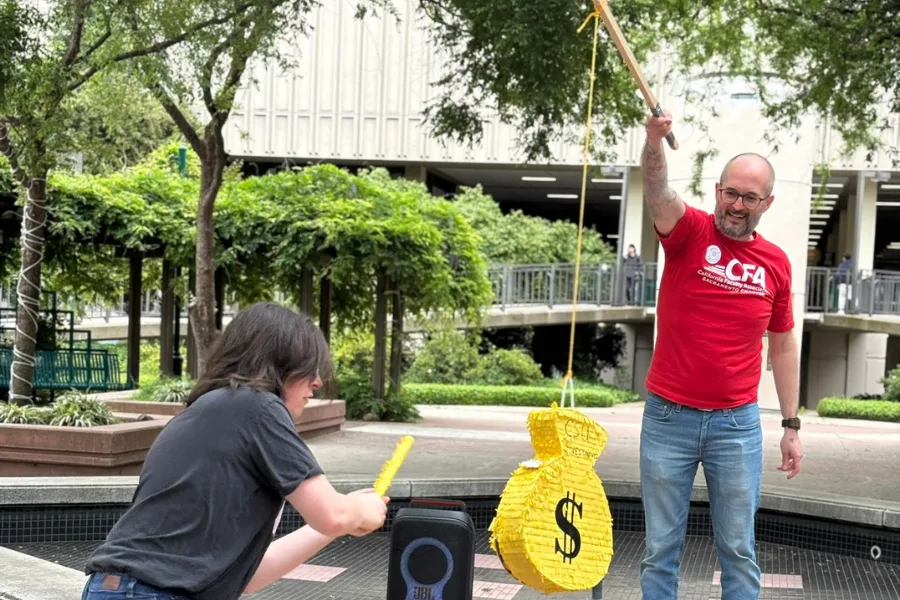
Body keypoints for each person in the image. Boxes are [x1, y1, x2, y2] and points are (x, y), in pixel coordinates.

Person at [82, 302, 389, 600]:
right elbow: (333, 514)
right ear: (277, 364)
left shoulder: (208, 413)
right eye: (307, 368)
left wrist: (340, 523)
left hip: (121, 588)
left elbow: (248, 577)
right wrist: (360, 511)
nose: (318, 382)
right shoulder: (259, 407)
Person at [638, 111, 803, 600]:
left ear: (766, 203)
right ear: (717, 191)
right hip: (668, 418)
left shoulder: (775, 263)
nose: (736, 205)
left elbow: (784, 343)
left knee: (738, 549)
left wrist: (791, 425)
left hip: (738, 425)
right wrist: (653, 142)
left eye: (749, 197)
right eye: (730, 192)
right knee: (659, 549)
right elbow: (657, 189)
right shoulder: (688, 232)